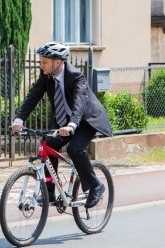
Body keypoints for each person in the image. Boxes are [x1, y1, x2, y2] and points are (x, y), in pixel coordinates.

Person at [11, 41, 112, 208]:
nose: (41, 65)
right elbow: (33, 96)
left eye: (44, 62)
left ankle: (96, 185)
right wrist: (19, 120)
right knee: (48, 146)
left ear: (57, 62)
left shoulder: (75, 76)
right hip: (64, 121)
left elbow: (79, 103)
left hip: (87, 120)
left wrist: (72, 125)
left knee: (75, 149)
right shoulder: (46, 76)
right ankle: (49, 192)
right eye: (40, 62)